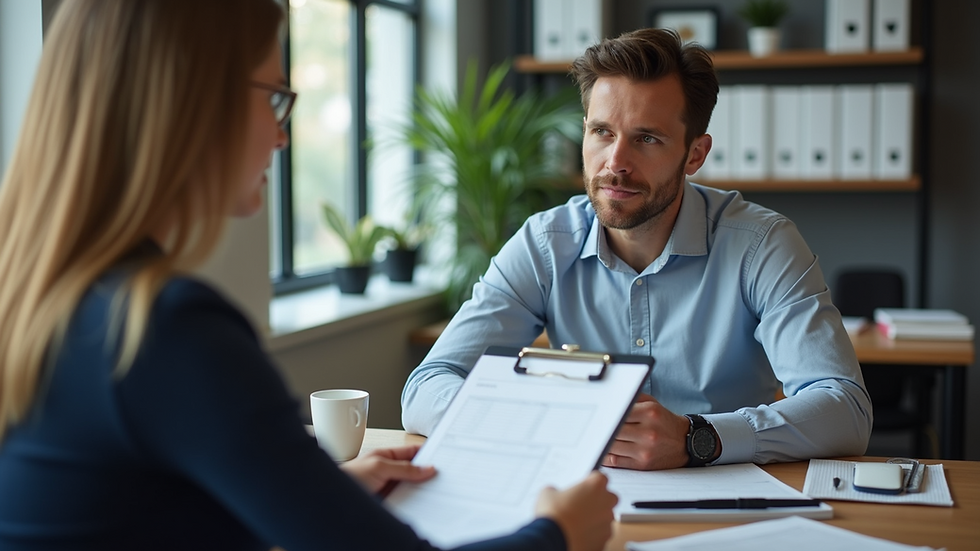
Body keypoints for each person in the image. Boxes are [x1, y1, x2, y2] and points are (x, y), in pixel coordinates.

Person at [0, 1, 616, 549]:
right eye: (273, 96)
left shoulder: (47, 298)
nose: (282, 135)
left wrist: (319, 493)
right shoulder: (166, 328)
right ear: (191, 100)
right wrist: (557, 533)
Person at [402, 28, 873, 471]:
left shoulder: (761, 244)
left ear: (695, 154)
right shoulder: (546, 242)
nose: (616, 163)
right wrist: (543, 425)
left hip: (723, 499)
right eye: (602, 132)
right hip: (586, 497)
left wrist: (698, 438)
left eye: (646, 138)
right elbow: (427, 387)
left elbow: (846, 409)